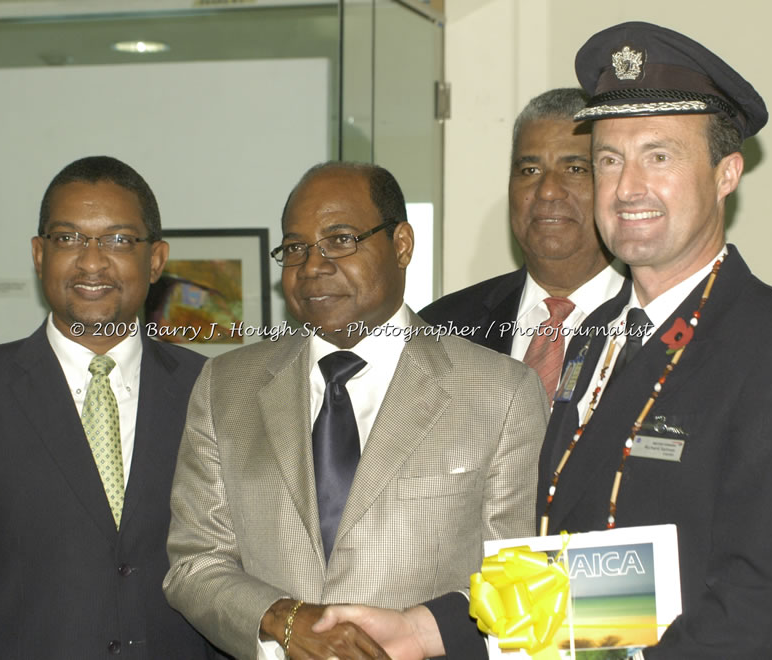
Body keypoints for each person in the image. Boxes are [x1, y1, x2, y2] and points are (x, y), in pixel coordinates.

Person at [531, 22, 772, 658]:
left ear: (726, 173)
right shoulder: (594, 334)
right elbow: (597, 567)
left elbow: (755, 612)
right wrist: (439, 629)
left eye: (659, 156)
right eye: (609, 161)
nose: (626, 189)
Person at [162, 161, 548, 660]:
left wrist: (421, 633)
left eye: (340, 239)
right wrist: (280, 619)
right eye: (296, 247)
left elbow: (524, 580)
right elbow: (194, 562)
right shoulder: (226, 386)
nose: (313, 266)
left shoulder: (502, 392)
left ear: (402, 244)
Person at [0, 156, 216, 659]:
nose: (90, 261)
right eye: (68, 239)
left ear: (155, 259)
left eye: (118, 239)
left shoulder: (211, 390)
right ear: (39, 254)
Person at [420, 88, 624, 403]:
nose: (548, 191)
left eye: (575, 169)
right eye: (530, 171)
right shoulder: (441, 330)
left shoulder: (662, 320)